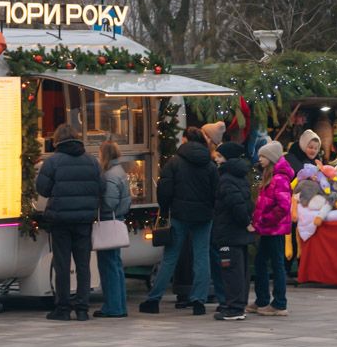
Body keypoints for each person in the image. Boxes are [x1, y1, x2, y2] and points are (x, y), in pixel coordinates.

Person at [139, 126, 218, 315]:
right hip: (204, 216)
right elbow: (216, 191)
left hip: (179, 215)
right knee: (201, 257)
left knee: (169, 258)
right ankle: (199, 300)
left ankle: (154, 299)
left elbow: (164, 189)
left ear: (184, 140)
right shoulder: (210, 164)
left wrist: (165, 209)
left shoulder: (174, 162)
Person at [36, 124, 103, 321]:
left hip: (60, 220)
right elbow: (101, 187)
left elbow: (43, 189)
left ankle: (63, 308)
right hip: (84, 221)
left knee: (62, 264)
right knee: (83, 265)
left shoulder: (52, 162)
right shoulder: (92, 161)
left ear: (57, 140)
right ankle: (82, 308)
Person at [212, 141, 254, 321]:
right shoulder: (240, 176)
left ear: (227, 158)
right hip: (237, 233)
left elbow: (236, 204)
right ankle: (237, 303)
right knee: (240, 269)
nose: (216, 160)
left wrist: (245, 221)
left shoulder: (226, 178)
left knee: (231, 269)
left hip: (229, 232)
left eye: (220, 157)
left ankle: (235, 307)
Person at [249, 141, 292, 316]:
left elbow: (283, 206)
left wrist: (264, 220)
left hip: (274, 229)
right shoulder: (270, 175)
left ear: (272, 158)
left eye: (263, 156)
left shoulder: (279, 178)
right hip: (268, 228)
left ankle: (279, 303)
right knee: (261, 262)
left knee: (276, 264)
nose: (260, 159)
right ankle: (262, 299)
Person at [94, 140, 131, 318]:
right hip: (118, 220)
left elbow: (109, 202)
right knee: (116, 265)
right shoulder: (120, 171)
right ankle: (120, 305)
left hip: (109, 222)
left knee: (108, 265)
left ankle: (113, 306)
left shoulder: (109, 175)